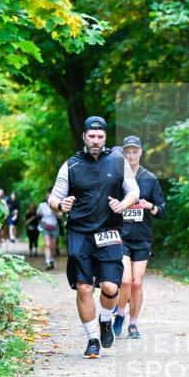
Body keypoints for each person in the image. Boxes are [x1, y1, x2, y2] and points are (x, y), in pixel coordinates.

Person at [48, 116, 139, 359]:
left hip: (109, 232)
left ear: (105, 138)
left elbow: (134, 191)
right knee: (84, 287)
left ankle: (105, 320)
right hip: (80, 233)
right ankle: (91, 340)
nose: (96, 141)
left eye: (100, 137)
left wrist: (123, 205)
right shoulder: (71, 166)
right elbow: (53, 199)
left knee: (110, 287)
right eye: (91, 136)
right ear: (84, 137)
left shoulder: (119, 161)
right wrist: (61, 205)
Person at [113, 136, 165, 339]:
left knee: (137, 282)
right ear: (123, 154)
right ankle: (119, 314)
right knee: (125, 280)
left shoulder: (149, 178)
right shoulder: (117, 178)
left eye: (135, 151)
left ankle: (133, 323)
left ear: (141, 152)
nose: (131, 155)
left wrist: (149, 206)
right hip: (122, 236)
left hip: (142, 237)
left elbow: (161, 210)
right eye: (128, 152)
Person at [36, 192, 60, 269]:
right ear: (45, 198)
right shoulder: (41, 205)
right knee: (47, 244)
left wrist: (55, 212)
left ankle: (51, 259)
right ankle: (47, 262)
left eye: (49, 197)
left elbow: (60, 217)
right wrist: (39, 214)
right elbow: (38, 214)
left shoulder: (56, 205)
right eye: (47, 197)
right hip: (45, 226)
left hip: (55, 227)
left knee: (52, 247)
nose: (48, 198)